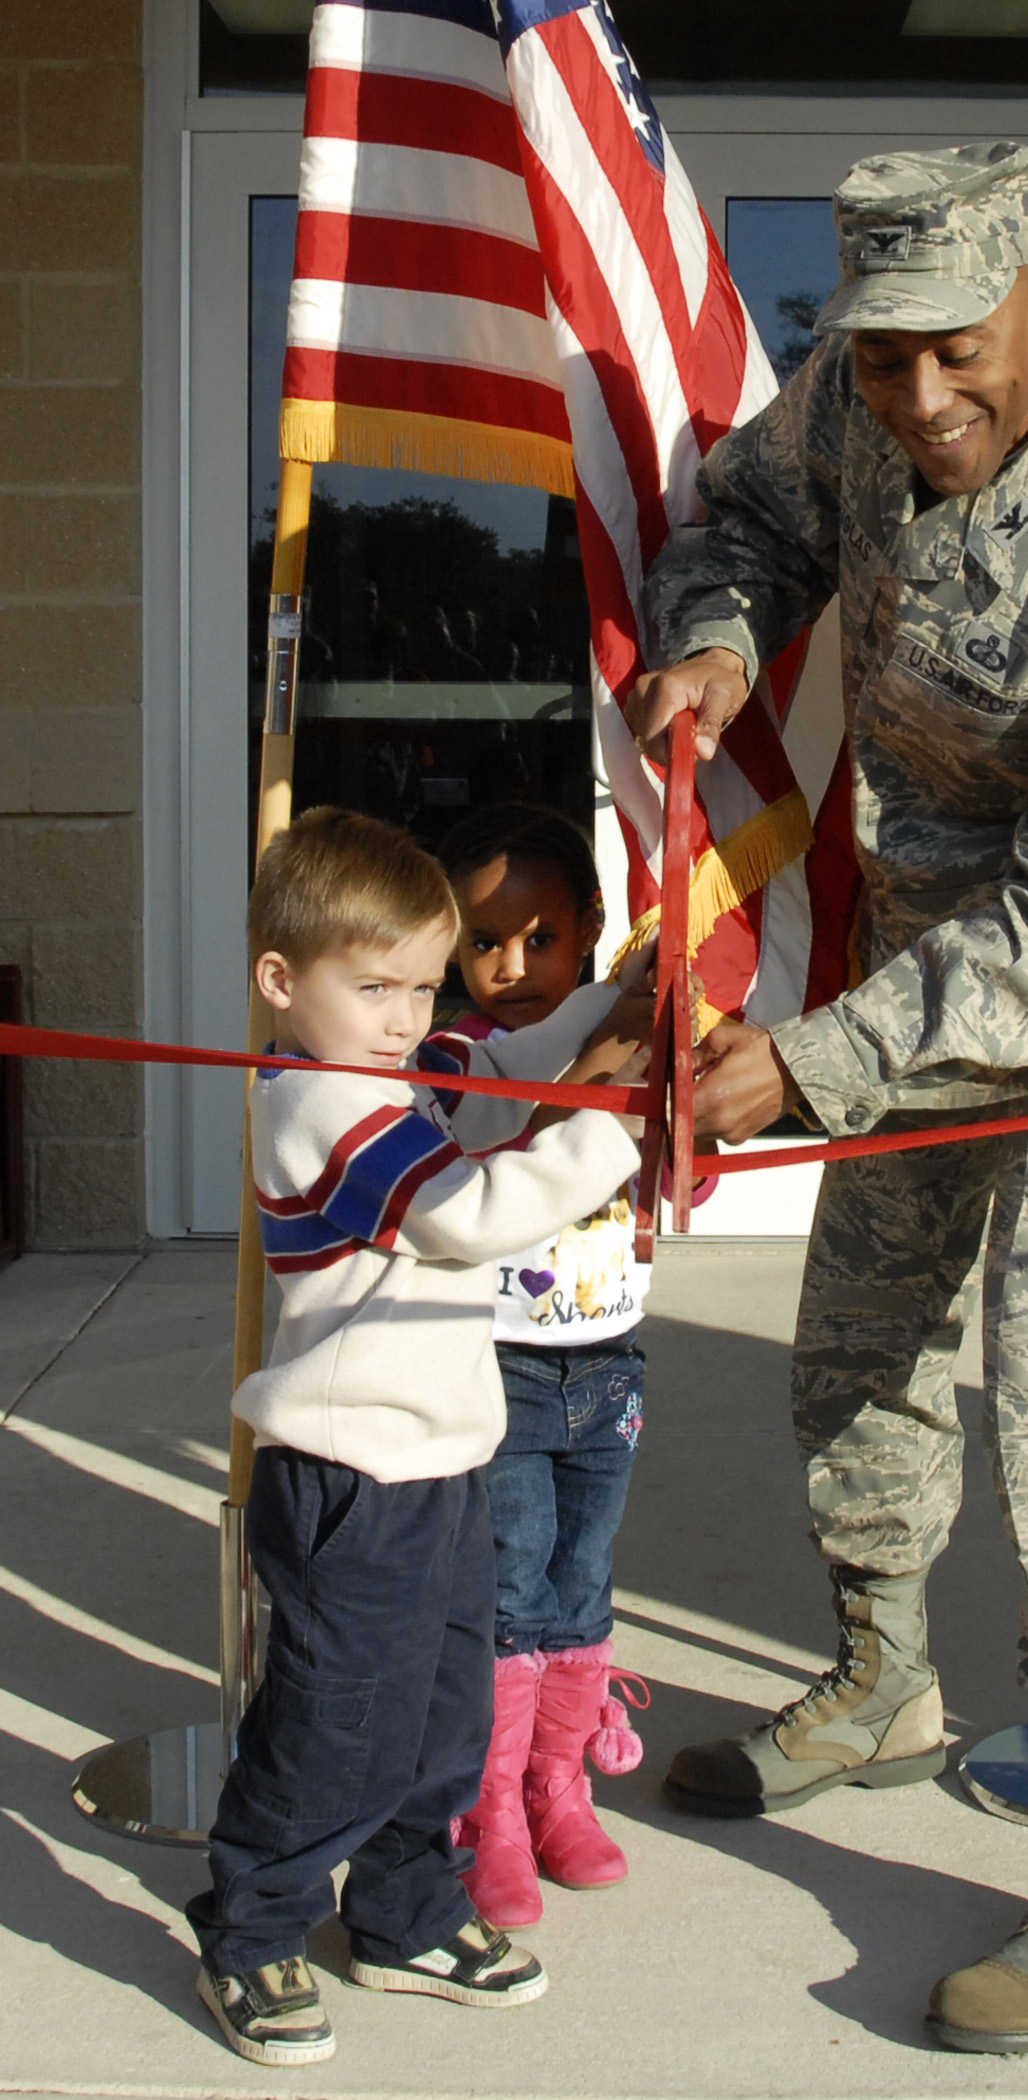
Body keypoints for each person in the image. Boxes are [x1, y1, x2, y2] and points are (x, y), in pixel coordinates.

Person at [629, 142, 1028, 2057]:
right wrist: (720, 632)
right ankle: (881, 1677)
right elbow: (746, 515)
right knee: (870, 1297)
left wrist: (818, 1057)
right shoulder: (853, 393)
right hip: (931, 901)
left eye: (959, 354)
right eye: (884, 356)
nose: (919, 401)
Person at [186, 807, 643, 2068]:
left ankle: (401, 1914)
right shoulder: (323, 1106)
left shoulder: (387, 1073)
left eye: (422, 987)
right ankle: (253, 1926)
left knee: (444, 1713)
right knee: (337, 1719)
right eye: (373, 985)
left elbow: (502, 1063)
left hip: (441, 1462)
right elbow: (470, 1213)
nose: (404, 1016)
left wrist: (632, 988)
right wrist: (612, 1128)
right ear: (282, 982)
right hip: (349, 1479)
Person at [426, 803, 707, 1929]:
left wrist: (658, 1031)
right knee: (510, 1579)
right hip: (497, 1366)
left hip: (610, 1363)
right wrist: (604, 1046)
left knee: (582, 1576)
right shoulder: (449, 1055)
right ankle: (487, 1806)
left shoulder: (624, 1023)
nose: (511, 964)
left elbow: (680, 1167)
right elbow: (496, 1114)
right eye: (484, 942)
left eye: (541, 938)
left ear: (591, 926)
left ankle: (558, 1784)